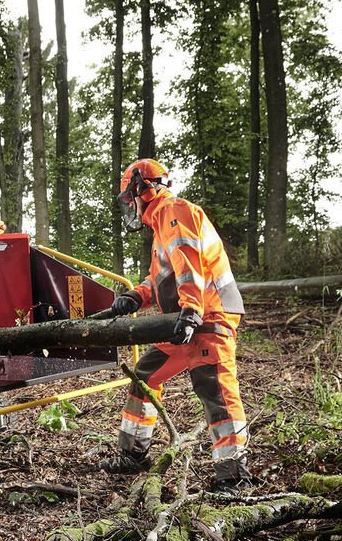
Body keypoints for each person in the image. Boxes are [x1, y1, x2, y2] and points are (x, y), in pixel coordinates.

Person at [99, 158, 254, 491]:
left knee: (216, 392)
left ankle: (234, 477)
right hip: (187, 320)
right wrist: (134, 298)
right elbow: (161, 280)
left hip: (208, 317)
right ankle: (133, 454)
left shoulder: (176, 211)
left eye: (130, 197)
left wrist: (192, 310)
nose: (130, 205)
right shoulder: (161, 227)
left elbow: (190, 266)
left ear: (142, 188)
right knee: (144, 376)